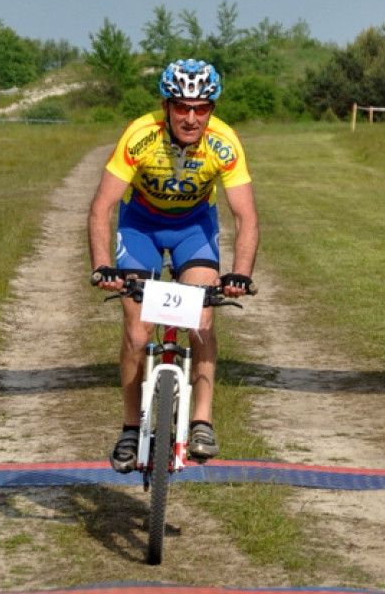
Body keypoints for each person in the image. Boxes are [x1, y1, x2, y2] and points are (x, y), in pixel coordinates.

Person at [87, 58, 259, 473]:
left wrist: (241, 274)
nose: (191, 117)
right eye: (182, 106)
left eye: (201, 108)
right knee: (136, 327)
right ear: (166, 106)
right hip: (142, 225)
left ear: (212, 109)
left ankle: (201, 420)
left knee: (201, 319)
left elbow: (246, 216)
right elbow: (101, 208)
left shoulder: (225, 142)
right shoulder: (140, 135)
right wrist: (102, 266)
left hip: (193, 227)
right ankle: (131, 428)